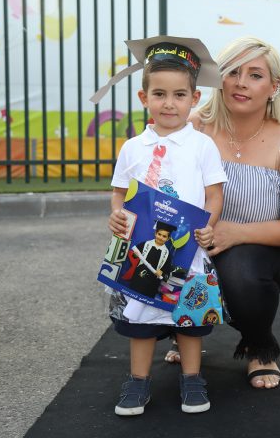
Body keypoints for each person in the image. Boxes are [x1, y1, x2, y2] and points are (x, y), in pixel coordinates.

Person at [191, 36, 280, 390]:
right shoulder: (195, 127)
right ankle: (182, 332)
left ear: (273, 87)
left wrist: (236, 233)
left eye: (255, 75)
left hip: (263, 254)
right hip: (196, 243)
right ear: (219, 78)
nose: (241, 83)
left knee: (240, 270)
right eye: (233, 72)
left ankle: (259, 344)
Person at [104, 36, 227, 416]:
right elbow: (119, 193)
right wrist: (117, 215)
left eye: (179, 95)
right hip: (141, 248)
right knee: (140, 317)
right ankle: (138, 381)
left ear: (194, 99)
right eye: (159, 94)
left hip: (189, 249)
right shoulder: (132, 148)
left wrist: (209, 226)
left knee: (188, 320)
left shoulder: (202, 146)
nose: (169, 103)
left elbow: (214, 194)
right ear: (144, 98)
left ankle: (192, 378)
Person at [125, 221, 175, 299]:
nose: (160, 237)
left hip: (152, 284)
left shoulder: (167, 254)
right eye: (159, 234)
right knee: (132, 296)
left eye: (164, 236)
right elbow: (133, 256)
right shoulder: (145, 244)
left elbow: (166, 272)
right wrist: (135, 255)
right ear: (155, 233)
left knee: (146, 300)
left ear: (168, 239)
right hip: (138, 279)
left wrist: (161, 273)